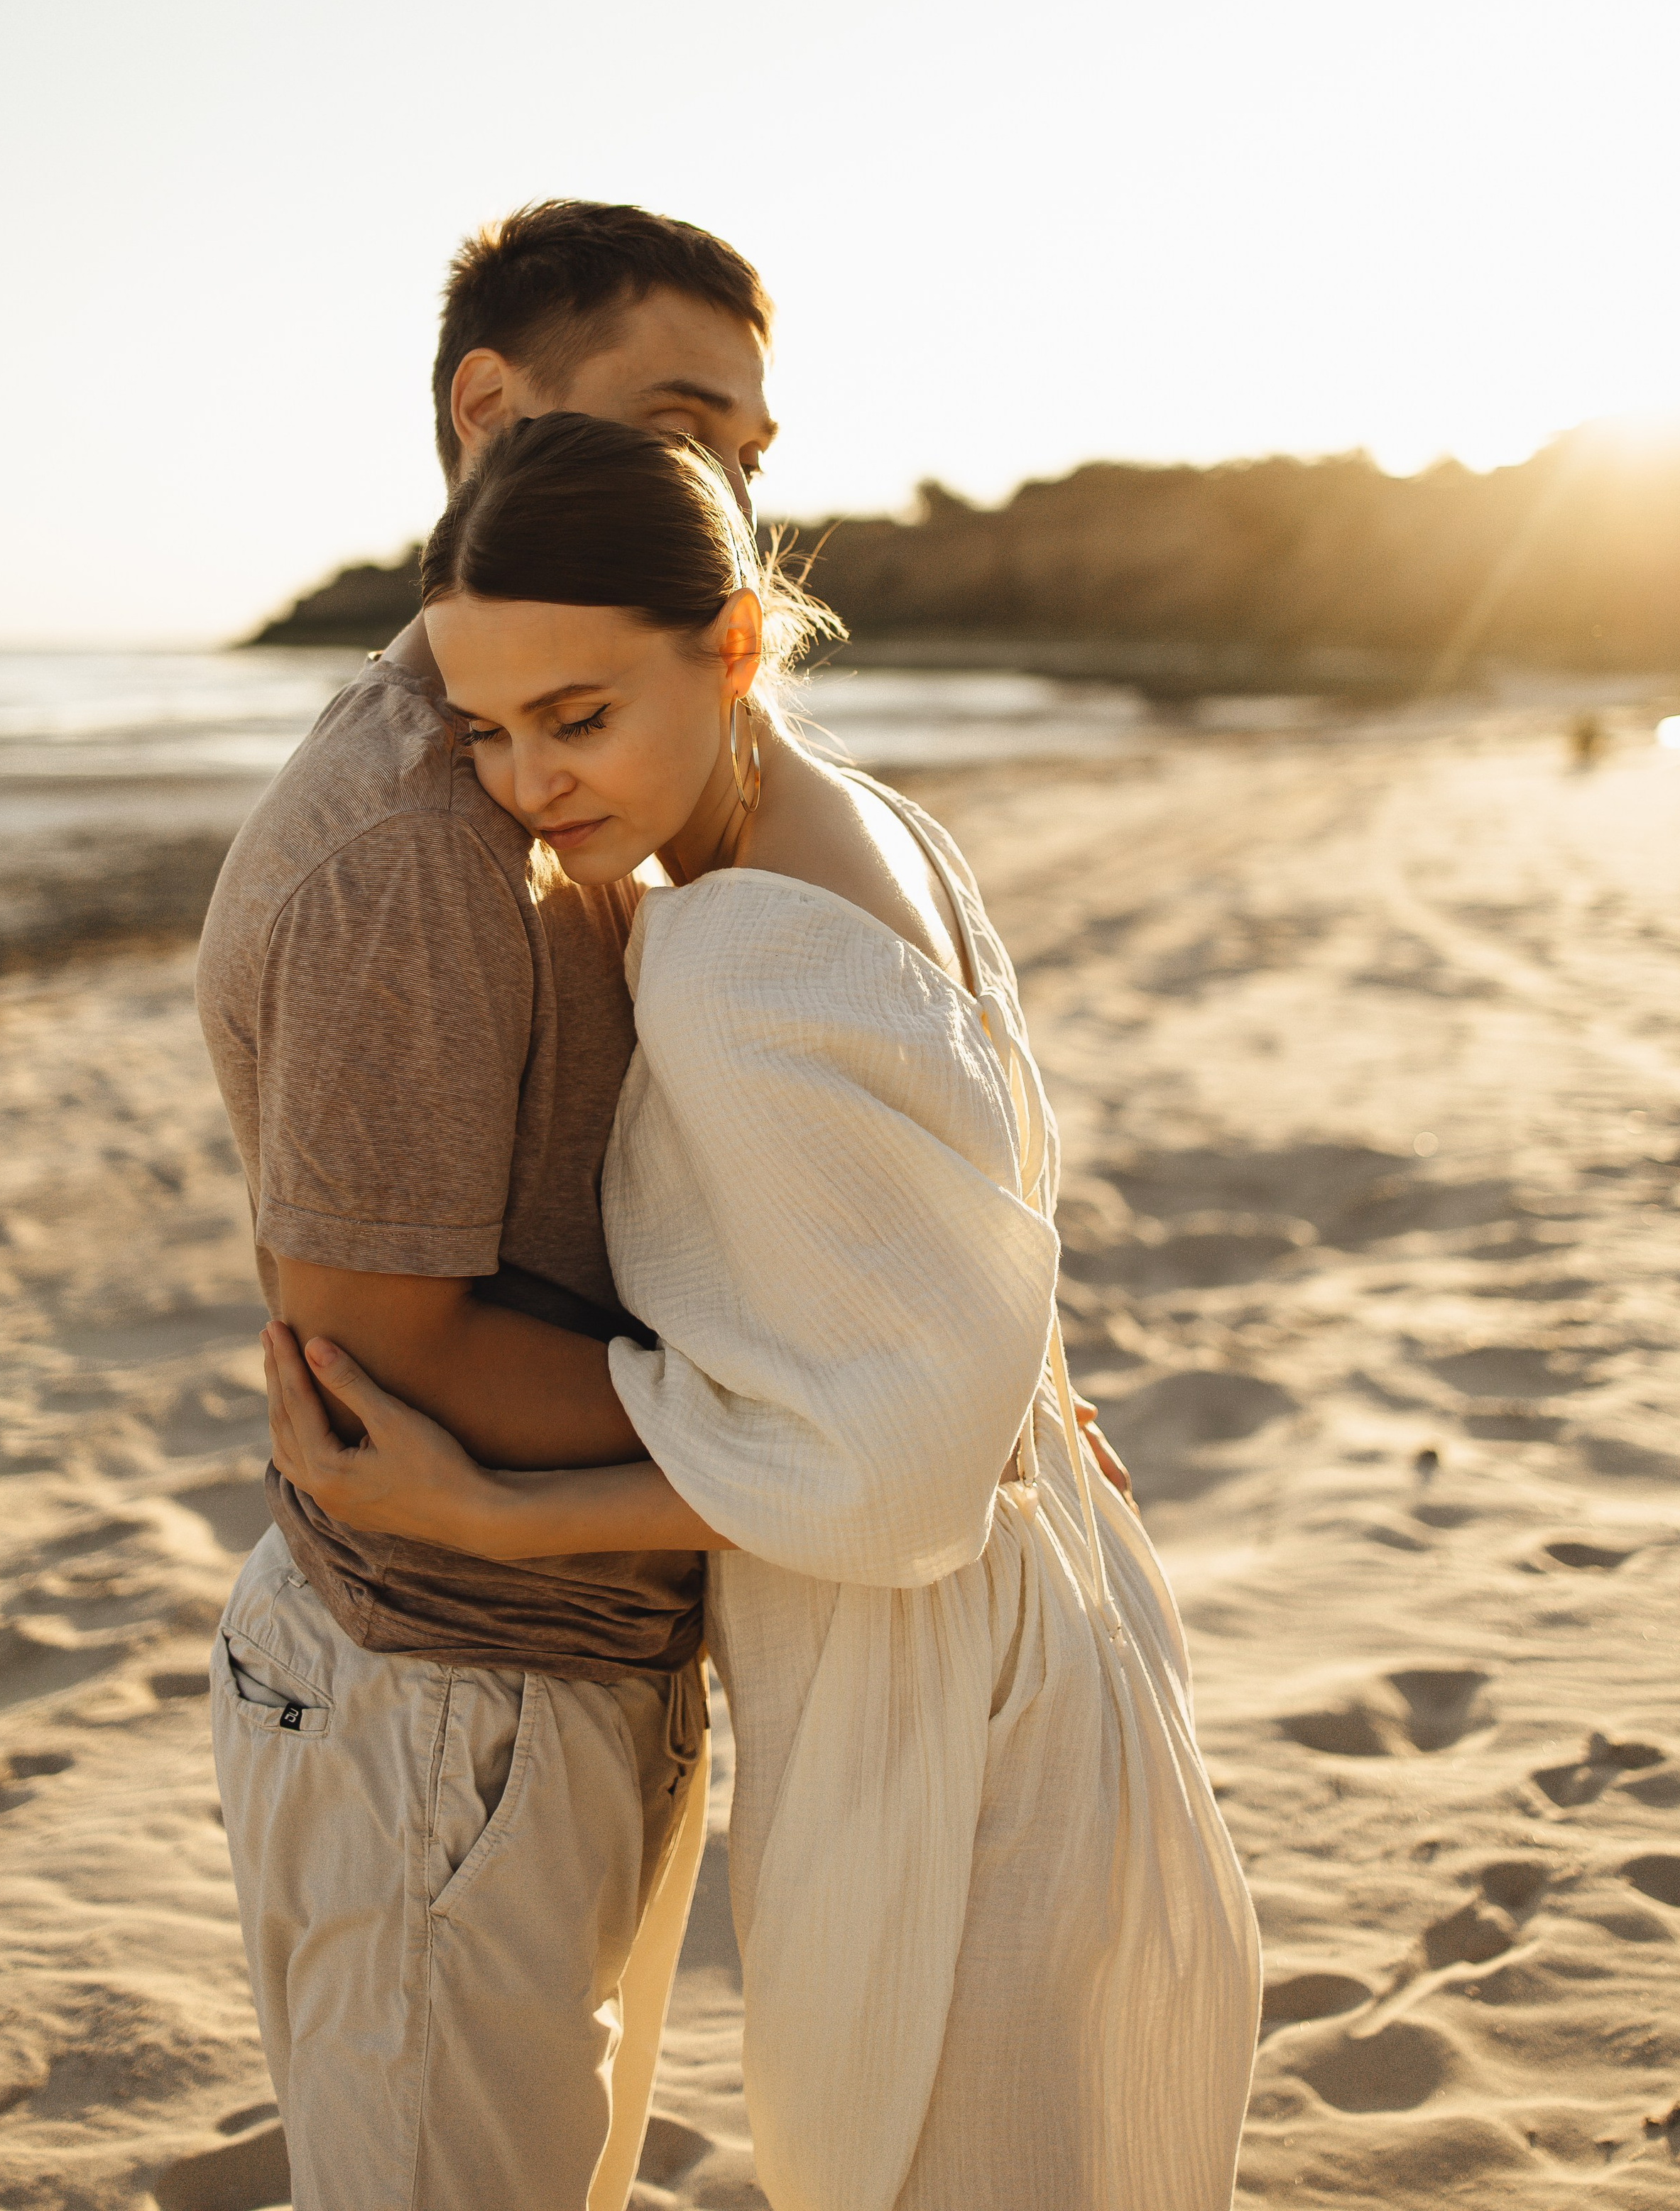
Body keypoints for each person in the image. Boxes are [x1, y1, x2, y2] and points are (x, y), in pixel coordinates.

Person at [261, 410, 1264, 2211]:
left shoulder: (734, 971)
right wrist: (1008, 1379)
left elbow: (881, 1480)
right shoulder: (864, 823)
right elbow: (950, 1255)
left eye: (581, 717)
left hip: (927, 1681)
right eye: (485, 733)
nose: (526, 785)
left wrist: (494, 1505)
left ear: (731, 645)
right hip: (1055, 1619)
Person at [197, 200, 782, 2211]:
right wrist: (855, 1423)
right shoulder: (417, 846)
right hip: (445, 1709)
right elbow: (391, 1358)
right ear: (488, 408)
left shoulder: (575, 779)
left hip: (571, 1668)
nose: (724, 485)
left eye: (750, 451)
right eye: (682, 417)